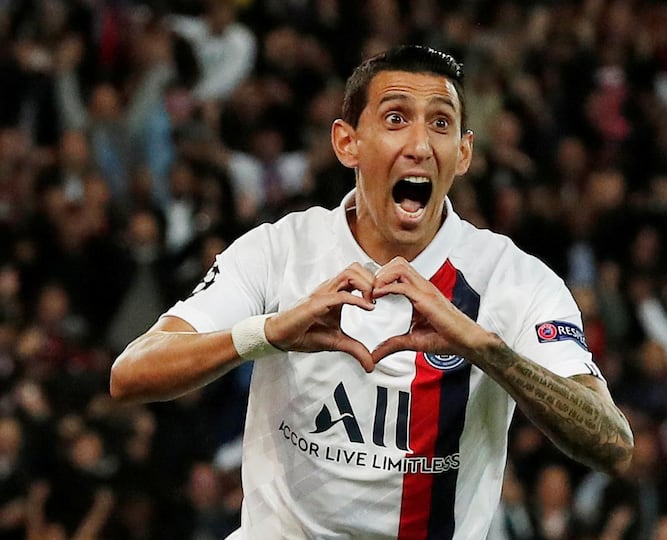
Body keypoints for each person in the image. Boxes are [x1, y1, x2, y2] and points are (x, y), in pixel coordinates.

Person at [110, 45, 633, 539]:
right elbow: (131, 373)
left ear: (464, 152)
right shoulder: (281, 250)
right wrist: (269, 334)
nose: (420, 145)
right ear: (347, 142)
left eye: (441, 124)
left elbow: (612, 442)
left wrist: (483, 348)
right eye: (396, 118)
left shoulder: (513, 279)